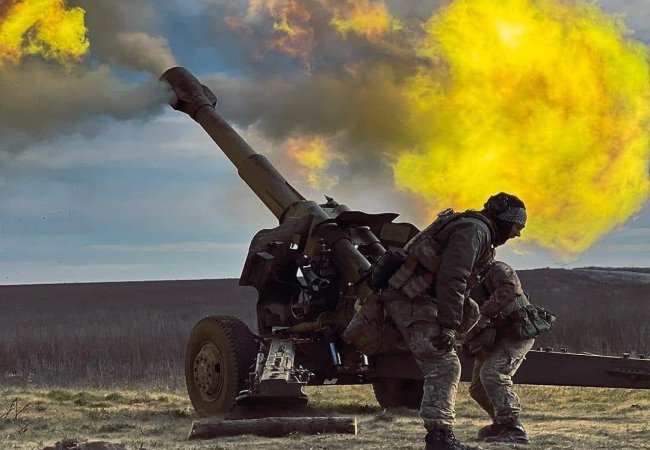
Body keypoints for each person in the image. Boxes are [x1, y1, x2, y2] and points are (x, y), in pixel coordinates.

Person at [381, 192, 527, 450]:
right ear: (504, 219)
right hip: (414, 300)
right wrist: (449, 326)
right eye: (517, 225)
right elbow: (453, 277)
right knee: (445, 366)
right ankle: (440, 440)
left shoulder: (473, 228)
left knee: (447, 365)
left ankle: (442, 437)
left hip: (415, 299)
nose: (516, 234)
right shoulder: (475, 231)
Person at [465, 261, 535, 444]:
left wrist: (483, 315)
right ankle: (501, 423)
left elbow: (510, 288)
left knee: (492, 374)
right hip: (491, 337)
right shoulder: (461, 277)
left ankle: (514, 429)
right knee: (477, 388)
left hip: (516, 331)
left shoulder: (496, 269)